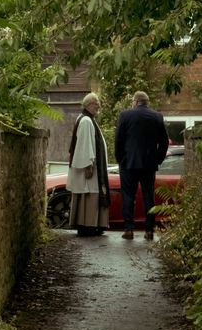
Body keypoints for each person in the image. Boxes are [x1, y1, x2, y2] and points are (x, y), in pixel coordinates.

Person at [114, 91, 169, 240]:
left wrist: (120, 159)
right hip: (148, 164)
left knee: (128, 196)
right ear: (146, 102)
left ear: (136, 101)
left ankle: (129, 229)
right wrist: (158, 159)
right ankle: (149, 231)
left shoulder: (125, 115)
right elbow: (164, 141)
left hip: (128, 163)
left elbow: (118, 139)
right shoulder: (157, 117)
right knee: (148, 196)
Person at [67, 92, 110, 236]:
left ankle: (92, 225)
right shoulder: (86, 121)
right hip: (90, 169)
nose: (98, 105)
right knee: (89, 194)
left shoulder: (87, 119)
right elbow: (85, 144)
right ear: (88, 105)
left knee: (90, 194)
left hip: (92, 167)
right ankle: (88, 225)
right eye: (96, 103)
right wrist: (88, 164)